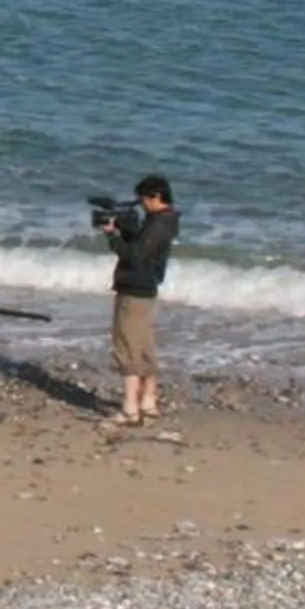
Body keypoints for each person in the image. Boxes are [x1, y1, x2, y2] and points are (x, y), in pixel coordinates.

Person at [103, 172, 180, 426]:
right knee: (144, 346)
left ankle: (130, 408)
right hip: (146, 289)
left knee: (128, 347)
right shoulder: (164, 222)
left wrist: (113, 237)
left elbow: (135, 256)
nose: (142, 205)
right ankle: (148, 402)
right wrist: (128, 231)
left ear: (156, 197)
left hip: (135, 290)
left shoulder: (158, 224)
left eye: (144, 200)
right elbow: (142, 248)